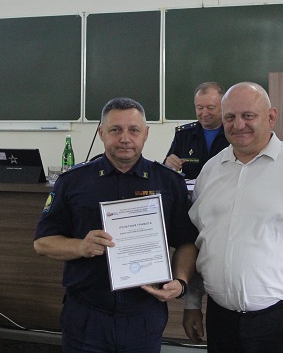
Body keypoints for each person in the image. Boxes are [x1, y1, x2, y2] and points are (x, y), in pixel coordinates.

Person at [182, 82, 283, 352]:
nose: (238, 124)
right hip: (221, 322)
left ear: (271, 117)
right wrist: (192, 304)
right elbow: (201, 243)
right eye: (230, 117)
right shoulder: (210, 171)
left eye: (248, 115)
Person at [34, 97, 198, 353]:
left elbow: (187, 242)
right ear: (101, 133)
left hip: (144, 315)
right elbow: (42, 243)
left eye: (133, 130)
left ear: (146, 134)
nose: (125, 138)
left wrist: (181, 281)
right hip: (87, 316)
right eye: (115, 130)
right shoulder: (73, 181)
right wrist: (80, 247)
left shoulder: (169, 182)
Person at [164, 82, 230, 179]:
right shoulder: (183, 135)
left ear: (223, 106)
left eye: (210, 108)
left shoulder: (234, 133)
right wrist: (168, 165)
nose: (204, 113)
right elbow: (165, 172)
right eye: (200, 108)